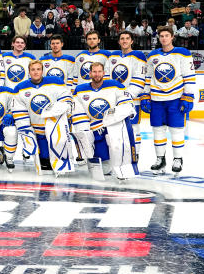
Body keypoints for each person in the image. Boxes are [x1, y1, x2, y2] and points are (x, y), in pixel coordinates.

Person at [141, 26, 196, 175]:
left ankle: (177, 159)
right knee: (158, 130)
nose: (164, 38)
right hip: (157, 98)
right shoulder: (152, 56)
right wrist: (145, 95)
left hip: (176, 98)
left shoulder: (182, 53)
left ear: (172, 37)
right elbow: (148, 78)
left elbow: (189, 76)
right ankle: (160, 159)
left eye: (167, 35)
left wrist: (188, 96)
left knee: (177, 130)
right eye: (161, 36)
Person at [72, 62, 139, 181]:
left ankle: (124, 166)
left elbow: (125, 104)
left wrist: (112, 121)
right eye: (94, 72)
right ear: (90, 73)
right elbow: (79, 114)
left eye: (99, 72)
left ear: (104, 73)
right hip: (95, 129)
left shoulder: (115, 85)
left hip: (112, 126)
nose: (97, 74)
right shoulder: (80, 90)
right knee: (105, 168)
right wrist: (86, 133)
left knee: (123, 140)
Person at [13, 60, 74, 175]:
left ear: (42, 71)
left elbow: (66, 99)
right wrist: (27, 133)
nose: (36, 72)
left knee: (61, 159)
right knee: (45, 164)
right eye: (33, 70)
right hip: (38, 131)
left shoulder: (55, 82)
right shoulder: (20, 88)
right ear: (29, 72)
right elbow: (20, 113)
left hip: (55, 129)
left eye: (38, 69)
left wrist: (59, 112)